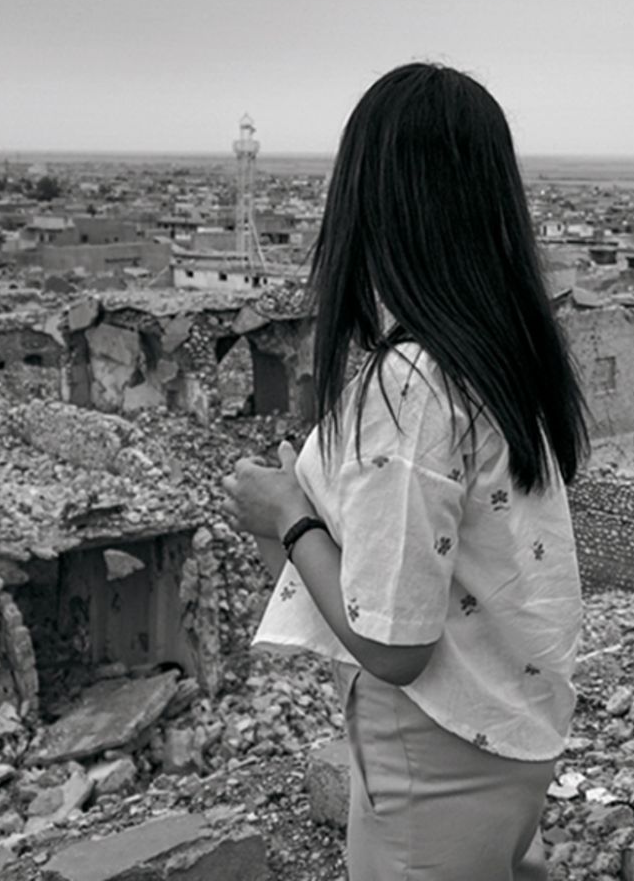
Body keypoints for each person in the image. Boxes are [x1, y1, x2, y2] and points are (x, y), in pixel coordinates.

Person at [219, 62, 587, 880]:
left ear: (372, 205)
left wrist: (288, 513)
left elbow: (394, 648)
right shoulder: (502, 355)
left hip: (436, 756)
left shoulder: (411, 383)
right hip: (513, 734)